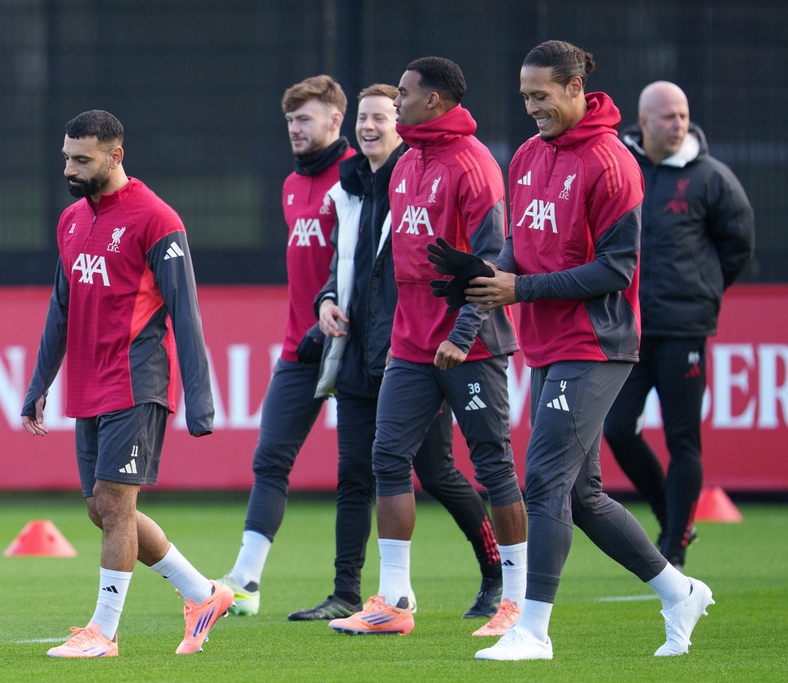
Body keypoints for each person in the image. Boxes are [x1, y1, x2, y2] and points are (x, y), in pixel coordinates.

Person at [469, 41, 714, 661]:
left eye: (541, 95)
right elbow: (521, 245)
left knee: (544, 480)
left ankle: (533, 632)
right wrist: (492, 278)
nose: (531, 107)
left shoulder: (613, 162)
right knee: (582, 497)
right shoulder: (528, 155)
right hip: (547, 343)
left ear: (576, 88)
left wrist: (520, 289)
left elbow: (616, 268)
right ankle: (680, 591)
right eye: (525, 96)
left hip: (596, 343)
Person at [20, 110, 233, 658]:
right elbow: (60, 307)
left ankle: (104, 633)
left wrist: (201, 401)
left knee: (115, 506)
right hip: (88, 383)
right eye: (66, 157)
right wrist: (40, 382)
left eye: (81, 160)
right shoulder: (71, 220)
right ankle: (203, 594)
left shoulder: (157, 219)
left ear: (115, 156)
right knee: (102, 510)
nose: (69, 169)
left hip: (138, 381)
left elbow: (186, 313)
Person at [328, 57, 528, 638]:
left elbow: (492, 259)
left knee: (493, 465)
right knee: (387, 457)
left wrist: (461, 335)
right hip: (411, 342)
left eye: (404, 94)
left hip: (471, 344)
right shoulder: (406, 163)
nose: (396, 103)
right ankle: (394, 602)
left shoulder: (475, 164)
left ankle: (515, 603)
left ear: (434, 100)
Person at [214, 75, 359, 620]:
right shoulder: (291, 185)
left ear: (336, 121)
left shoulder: (359, 178)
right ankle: (246, 581)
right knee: (270, 458)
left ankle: (490, 570)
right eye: (291, 120)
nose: (295, 129)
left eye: (305, 119)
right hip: (301, 347)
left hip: (356, 346)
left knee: (422, 471)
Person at [603, 81, 754, 570]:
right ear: (644, 121)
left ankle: (674, 548)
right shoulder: (621, 167)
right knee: (617, 428)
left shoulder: (712, 178)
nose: (679, 125)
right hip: (630, 327)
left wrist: (703, 289)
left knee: (683, 439)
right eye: (669, 117)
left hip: (684, 328)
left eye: (683, 116)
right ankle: (672, 515)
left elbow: (739, 246)